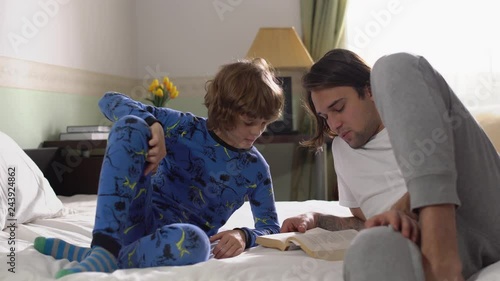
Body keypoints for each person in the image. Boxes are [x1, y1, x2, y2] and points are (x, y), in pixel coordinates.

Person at [34, 58, 284, 278]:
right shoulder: (185, 126)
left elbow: (271, 226)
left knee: (198, 244)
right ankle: (104, 246)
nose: (257, 131)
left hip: (177, 241)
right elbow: (108, 101)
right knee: (131, 125)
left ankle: (102, 255)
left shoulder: (256, 169)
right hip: (136, 220)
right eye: (250, 121)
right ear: (225, 110)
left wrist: (242, 234)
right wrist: (153, 124)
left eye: (264, 122)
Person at [281, 49, 500, 281]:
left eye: (339, 108)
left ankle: (440, 253)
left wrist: (404, 209)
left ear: (370, 90)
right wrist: (317, 218)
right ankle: (438, 256)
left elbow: (456, 169)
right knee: (368, 249)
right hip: (451, 242)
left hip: (481, 208)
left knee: (393, 65)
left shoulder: (417, 114)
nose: (334, 124)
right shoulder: (342, 151)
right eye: (325, 117)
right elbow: (365, 221)